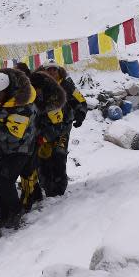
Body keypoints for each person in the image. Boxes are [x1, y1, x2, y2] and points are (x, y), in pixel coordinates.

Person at [0, 68, 37, 229]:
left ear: (7, 91)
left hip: (19, 149)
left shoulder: (23, 108)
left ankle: (15, 213)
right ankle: (4, 216)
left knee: (5, 181)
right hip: (3, 148)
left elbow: (12, 136)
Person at [37, 62, 88, 196]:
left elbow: (80, 101)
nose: (52, 72)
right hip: (44, 128)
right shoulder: (38, 85)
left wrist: (80, 114)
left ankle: (59, 188)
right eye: (49, 69)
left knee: (59, 155)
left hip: (63, 127)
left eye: (55, 69)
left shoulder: (67, 85)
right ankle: (46, 185)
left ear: (59, 71)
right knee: (44, 157)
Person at [19, 71, 67, 211]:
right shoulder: (29, 95)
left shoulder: (52, 101)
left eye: (36, 89)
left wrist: (43, 137)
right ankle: (35, 193)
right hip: (35, 135)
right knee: (33, 165)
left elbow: (58, 126)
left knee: (56, 161)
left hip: (53, 135)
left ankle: (57, 193)